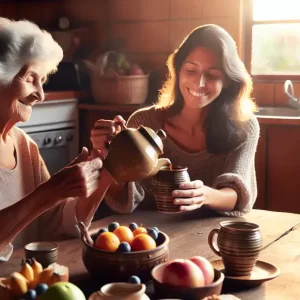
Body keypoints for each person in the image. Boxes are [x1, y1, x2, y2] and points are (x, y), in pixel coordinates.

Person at [91, 24, 259, 217]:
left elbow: (238, 194)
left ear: (228, 80)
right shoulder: (142, 122)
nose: (199, 83)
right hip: (147, 235)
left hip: (209, 234)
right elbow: (122, 198)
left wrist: (204, 196)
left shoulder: (244, 127)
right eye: (191, 71)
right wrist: (107, 154)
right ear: (178, 71)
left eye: (212, 75)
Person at [0, 18, 105, 261]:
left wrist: (102, 168)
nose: (41, 94)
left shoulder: (26, 148)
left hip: (28, 284)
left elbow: (56, 222)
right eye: (29, 78)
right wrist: (52, 191)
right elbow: (46, 199)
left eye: (43, 80)